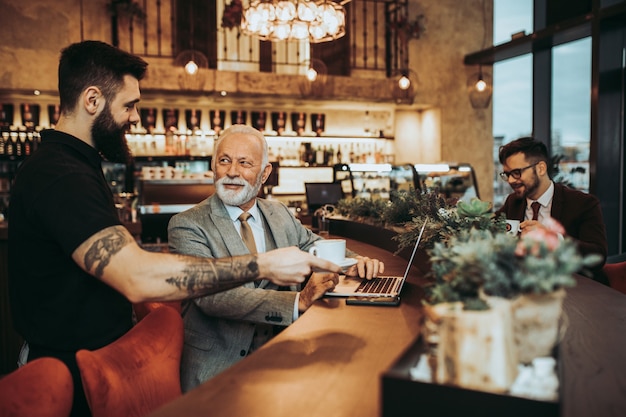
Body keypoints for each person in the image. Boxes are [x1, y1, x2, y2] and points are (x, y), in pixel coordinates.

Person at [7, 41, 340, 417]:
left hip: (90, 361)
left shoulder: (77, 166)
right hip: (64, 375)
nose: (135, 117)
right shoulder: (61, 175)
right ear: (92, 100)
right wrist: (262, 265)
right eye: (129, 105)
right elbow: (135, 276)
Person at [168, 124, 385, 391]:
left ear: (265, 172)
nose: (232, 171)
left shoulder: (278, 212)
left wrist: (352, 262)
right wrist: (298, 301)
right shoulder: (187, 224)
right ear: (213, 165)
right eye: (225, 160)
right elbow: (212, 297)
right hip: (217, 370)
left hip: (284, 359)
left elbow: (312, 243)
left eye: (245, 163)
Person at [494, 136, 608, 281]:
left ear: (541, 168)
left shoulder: (583, 203)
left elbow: (598, 256)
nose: (510, 180)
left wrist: (553, 238)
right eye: (507, 174)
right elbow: (488, 228)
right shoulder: (513, 202)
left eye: (516, 173)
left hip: (574, 290)